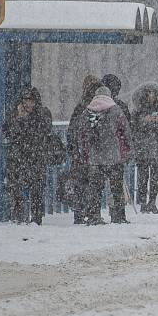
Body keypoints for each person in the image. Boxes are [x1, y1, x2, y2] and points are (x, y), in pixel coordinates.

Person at [78, 86, 132, 225]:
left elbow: (81, 135)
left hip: (94, 159)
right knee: (116, 188)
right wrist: (128, 150)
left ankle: (94, 216)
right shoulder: (116, 110)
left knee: (95, 188)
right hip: (113, 156)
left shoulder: (87, 111)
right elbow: (125, 131)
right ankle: (118, 216)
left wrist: (84, 153)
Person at [2, 86, 53, 225]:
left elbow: (44, 130)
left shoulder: (43, 114)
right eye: (25, 101)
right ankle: (19, 216)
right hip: (18, 158)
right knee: (15, 187)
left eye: (31, 101)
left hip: (36, 157)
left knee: (37, 189)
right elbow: (7, 131)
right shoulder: (14, 114)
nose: (28, 104)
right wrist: (19, 119)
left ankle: (36, 218)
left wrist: (26, 122)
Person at [66, 75, 103, 224]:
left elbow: (72, 131)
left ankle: (80, 213)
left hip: (81, 153)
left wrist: (74, 150)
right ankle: (92, 213)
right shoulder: (100, 108)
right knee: (94, 184)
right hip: (94, 153)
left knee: (80, 184)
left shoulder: (81, 107)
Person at [132, 83, 158, 213]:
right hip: (142, 147)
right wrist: (145, 121)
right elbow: (134, 127)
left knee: (156, 175)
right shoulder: (137, 111)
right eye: (149, 94)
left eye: (153, 94)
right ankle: (143, 203)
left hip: (155, 147)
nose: (151, 97)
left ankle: (152, 201)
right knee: (143, 175)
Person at [101, 73, 131, 218]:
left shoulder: (96, 106)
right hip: (116, 151)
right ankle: (119, 213)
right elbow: (127, 130)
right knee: (117, 183)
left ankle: (110, 210)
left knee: (102, 184)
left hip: (100, 151)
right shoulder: (120, 107)